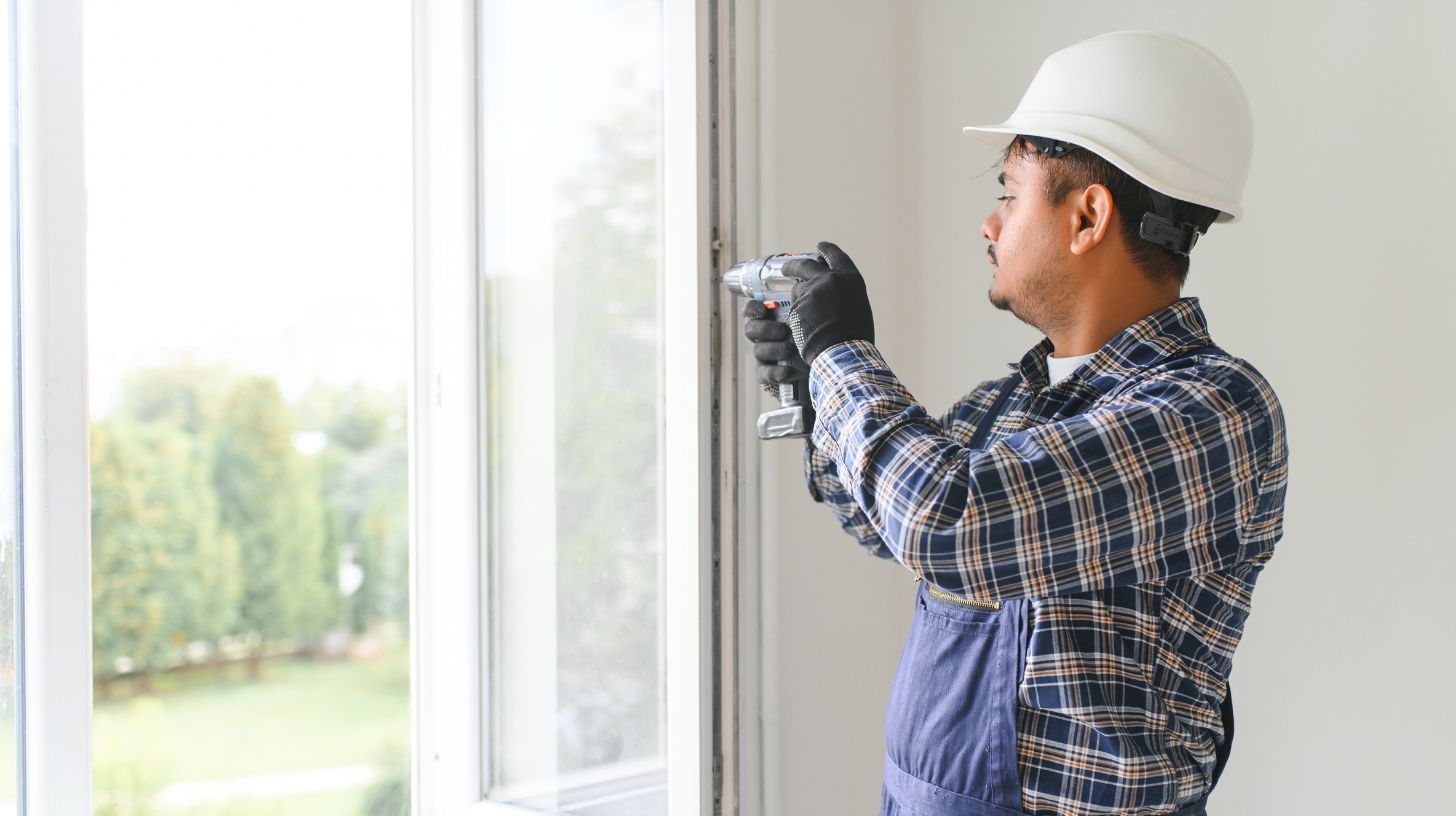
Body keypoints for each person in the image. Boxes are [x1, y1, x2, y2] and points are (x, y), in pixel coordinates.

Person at [741, 30, 1289, 816]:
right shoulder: (1022, 399)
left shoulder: (1209, 410)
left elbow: (946, 526)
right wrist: (816, 390)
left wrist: (840, 352)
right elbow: (886, 520)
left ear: (1087, 215)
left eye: (1009, 192)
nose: (989, 226)